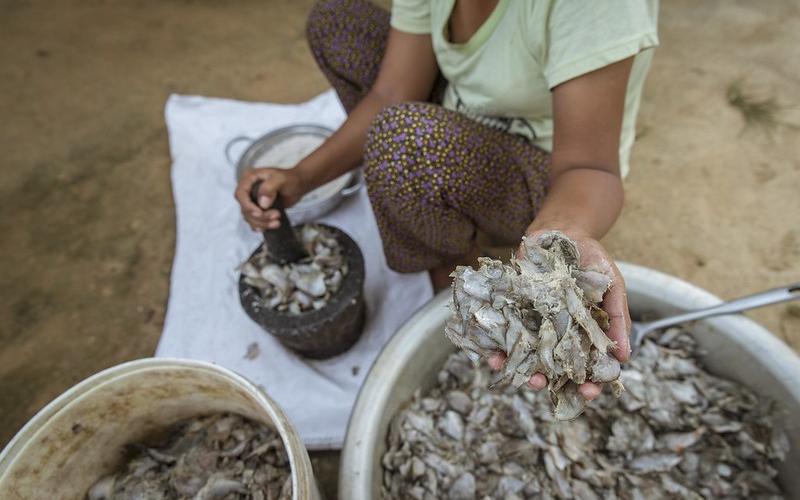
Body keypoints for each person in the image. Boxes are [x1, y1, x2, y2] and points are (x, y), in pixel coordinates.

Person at [235, 0, 659, 400]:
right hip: (459, 112)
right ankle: (435, 223)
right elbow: (391, 93)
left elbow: (591, 169)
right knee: (338, 24)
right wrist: (302, 177)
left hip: (552, 175)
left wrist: (559, 233)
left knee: (404, 140)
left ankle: (457, 262)